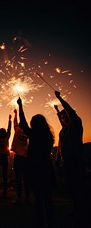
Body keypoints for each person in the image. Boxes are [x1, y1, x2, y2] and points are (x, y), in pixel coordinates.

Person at [17, 97, 55, 228]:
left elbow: (23, 122)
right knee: (48, 198)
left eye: (33, 122)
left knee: (38, 198)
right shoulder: (49, 136)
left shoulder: (34, 135)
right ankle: (50, 221)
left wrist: (20, 105)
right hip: (47, 168)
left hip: (36, 169)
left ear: (35, 124)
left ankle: (41, 222)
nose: (31, 124)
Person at [54, 90, 88, 227]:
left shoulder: (76, 124)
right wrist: (57, 157)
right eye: (61, 117)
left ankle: (82, 214)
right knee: (73, 188)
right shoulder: (64, 129)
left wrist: (60, 99)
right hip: (67, 162)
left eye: (65, 116)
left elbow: (70, 112)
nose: (63, 118)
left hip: (76, 161)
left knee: (79, 187)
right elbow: (60, 144)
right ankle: (77, 210)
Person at [11, 108, 31, 206]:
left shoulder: (17, 129)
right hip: (26, 158)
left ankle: (19, 198)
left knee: (18, 178)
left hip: (18, 157)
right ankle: (27, 198)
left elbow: (15, 122)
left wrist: (15, 113)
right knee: (26, 178)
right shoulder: (28, 133)